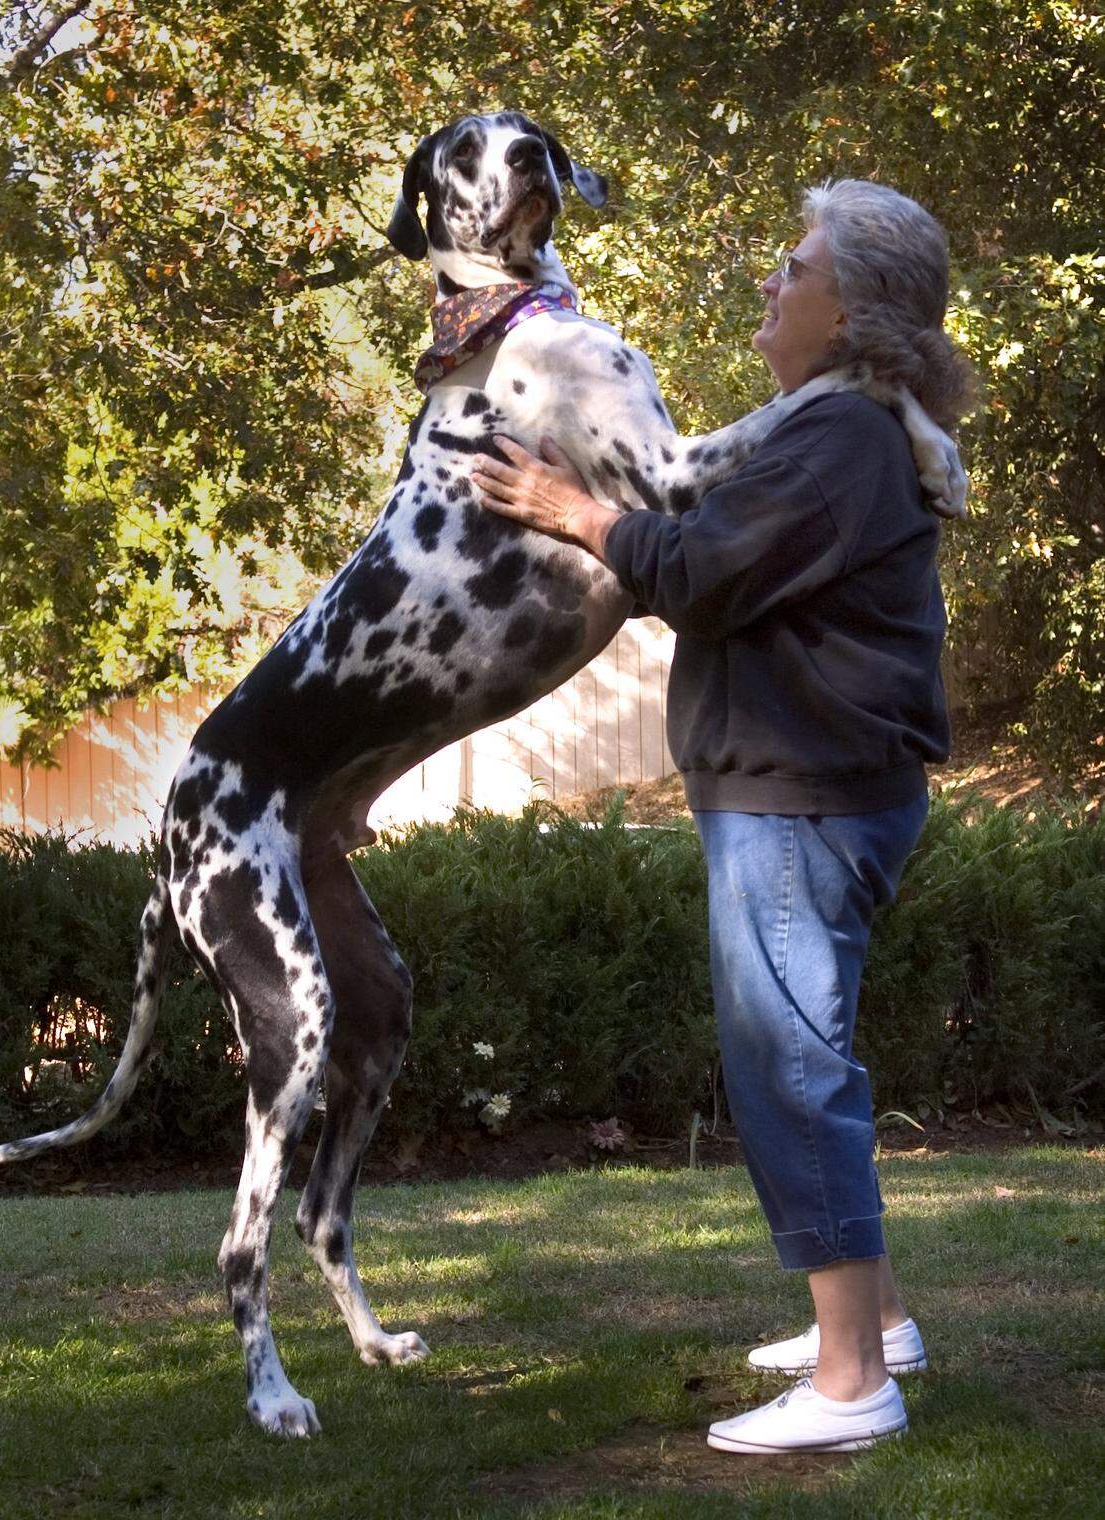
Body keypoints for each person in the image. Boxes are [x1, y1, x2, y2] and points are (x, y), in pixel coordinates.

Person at [471, 179, 973, 1454]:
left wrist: (575, 511)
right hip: (811, 794)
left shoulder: (842, 440)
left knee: (792, 1073)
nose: (772, 280)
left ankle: (854, 1383)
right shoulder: (841, 429)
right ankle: (879, 1322)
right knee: (808, 1060)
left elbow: (695, 572)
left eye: (793, 265)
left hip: (803, 799)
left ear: (851, 307)